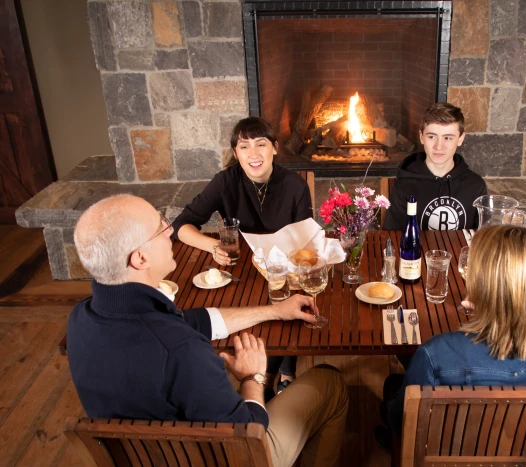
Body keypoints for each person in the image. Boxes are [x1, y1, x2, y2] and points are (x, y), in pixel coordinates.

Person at [68, 194, 348, 467]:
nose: (169, 232)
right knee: (330, 382)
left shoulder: (81, 318)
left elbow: (190, 320)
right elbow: (249, 432)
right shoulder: (181, 350)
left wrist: (274, 310)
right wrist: (252, 378)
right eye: (160, 227)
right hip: (233, 456)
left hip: (144, 456)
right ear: (140, 259)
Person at [376, 225, 526, 442]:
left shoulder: (436, 353)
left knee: (392, 389)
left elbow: (401, 422)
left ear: (488, 286)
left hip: (447, 449)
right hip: (520, 445)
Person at [173, 117, 313, 400]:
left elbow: (305, 241)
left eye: (261, 144)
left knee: (290, 300)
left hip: (284, 267)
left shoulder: (295, 186)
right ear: (235, 153)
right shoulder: (224, 182)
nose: (253, 154)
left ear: (275, 148)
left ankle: (284, 367)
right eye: (244, 146)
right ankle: (267, 370)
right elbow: (181, 226)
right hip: (242, 270)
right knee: (252, 313)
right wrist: (212, 246)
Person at [384, 103, 487, 231]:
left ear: (460, 138)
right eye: (432, 137)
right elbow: (392, 238)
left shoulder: (475, 185)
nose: (439, 146)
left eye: (448, 138)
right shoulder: (404, 185)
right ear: (421, 137)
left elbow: (483, 240)